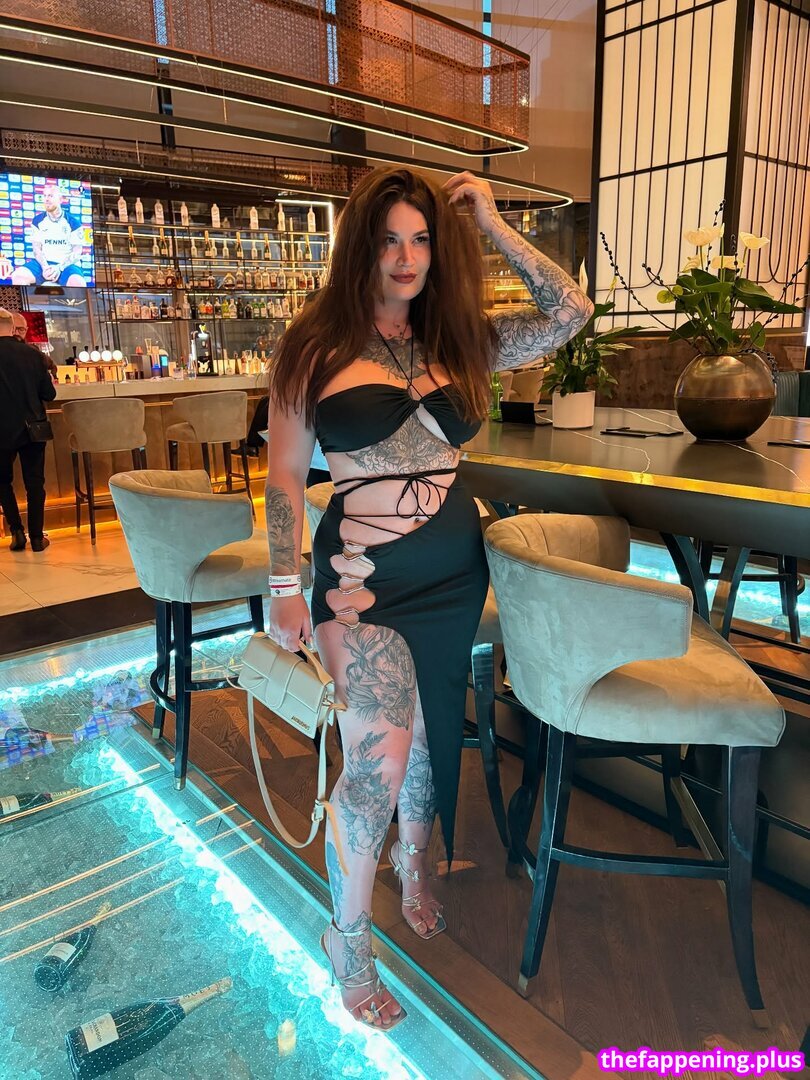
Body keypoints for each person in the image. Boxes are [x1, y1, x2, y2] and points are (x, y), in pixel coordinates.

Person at [265, 168, 592, 1029]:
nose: (406, 257)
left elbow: (570, 312)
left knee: (428, 725)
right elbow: (286, 475)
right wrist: (283, 584)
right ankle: (347, 938)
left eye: (420, 239)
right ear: (360, 248)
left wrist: (491, 222)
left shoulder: (461, 337)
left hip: (453, 579)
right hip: (361, 582)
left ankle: (414, 865)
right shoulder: (313, 346)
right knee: (378, 756)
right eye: (388, 240)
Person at [0, 308, 57, 551]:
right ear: (13, 328)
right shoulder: (33, 354)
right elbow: (49, 394)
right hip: (33, 428)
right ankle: (36, 537)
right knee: (34, 483)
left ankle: (16, 532)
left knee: (2, 482)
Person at [11, 182, 87, 287]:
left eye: (50, 196)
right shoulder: (37, 220)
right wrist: (45, 267)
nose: (46, 199)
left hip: (66, 265)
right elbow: (36, 249)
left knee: (78, 283)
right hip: (43, 264)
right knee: (18, 276)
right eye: (45, 195)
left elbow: (77, 252)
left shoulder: (73, 222)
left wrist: (59, 268)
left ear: (60, 199)